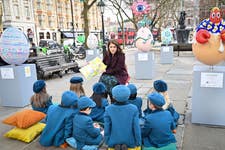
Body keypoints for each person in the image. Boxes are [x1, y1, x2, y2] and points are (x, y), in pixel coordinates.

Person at [104, 85, 141, 150]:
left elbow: (107, 127)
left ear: (113, 97)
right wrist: (138, 142)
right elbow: (136, 127)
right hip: (130, 141)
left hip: (113, 141)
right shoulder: (133, 108)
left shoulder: (108, 109)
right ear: (128, 96)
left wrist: (107, 141)